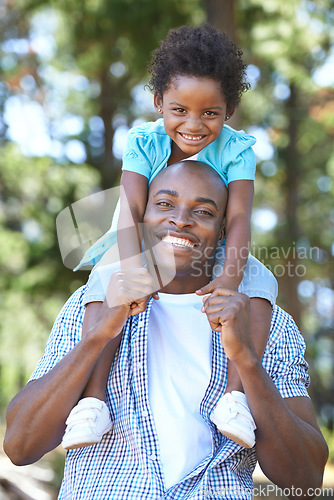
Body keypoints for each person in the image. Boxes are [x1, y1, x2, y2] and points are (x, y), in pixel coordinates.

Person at [4, 162, 328, 500]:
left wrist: (246, 359)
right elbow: (20, 445)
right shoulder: (90, 306)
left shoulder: (268, 324)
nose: (181, 219)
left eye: (203, 211)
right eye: (164, 204)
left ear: (224, 231)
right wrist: (97, 336)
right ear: (140, 219)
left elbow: (305, 479)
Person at [60, 23, 278, 450]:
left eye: (210, 113)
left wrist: (231, 279)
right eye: (179, 110)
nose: (193, 125)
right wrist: (132, 271)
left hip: (212, 246)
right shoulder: (144, 141)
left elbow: (237, 220)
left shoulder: (237, 150)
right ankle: (93, 401)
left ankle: (235, 398)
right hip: (140, 239)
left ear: (228, 111)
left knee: (260, 282)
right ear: (159, 102)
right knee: (104, 284)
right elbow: (130, 213)